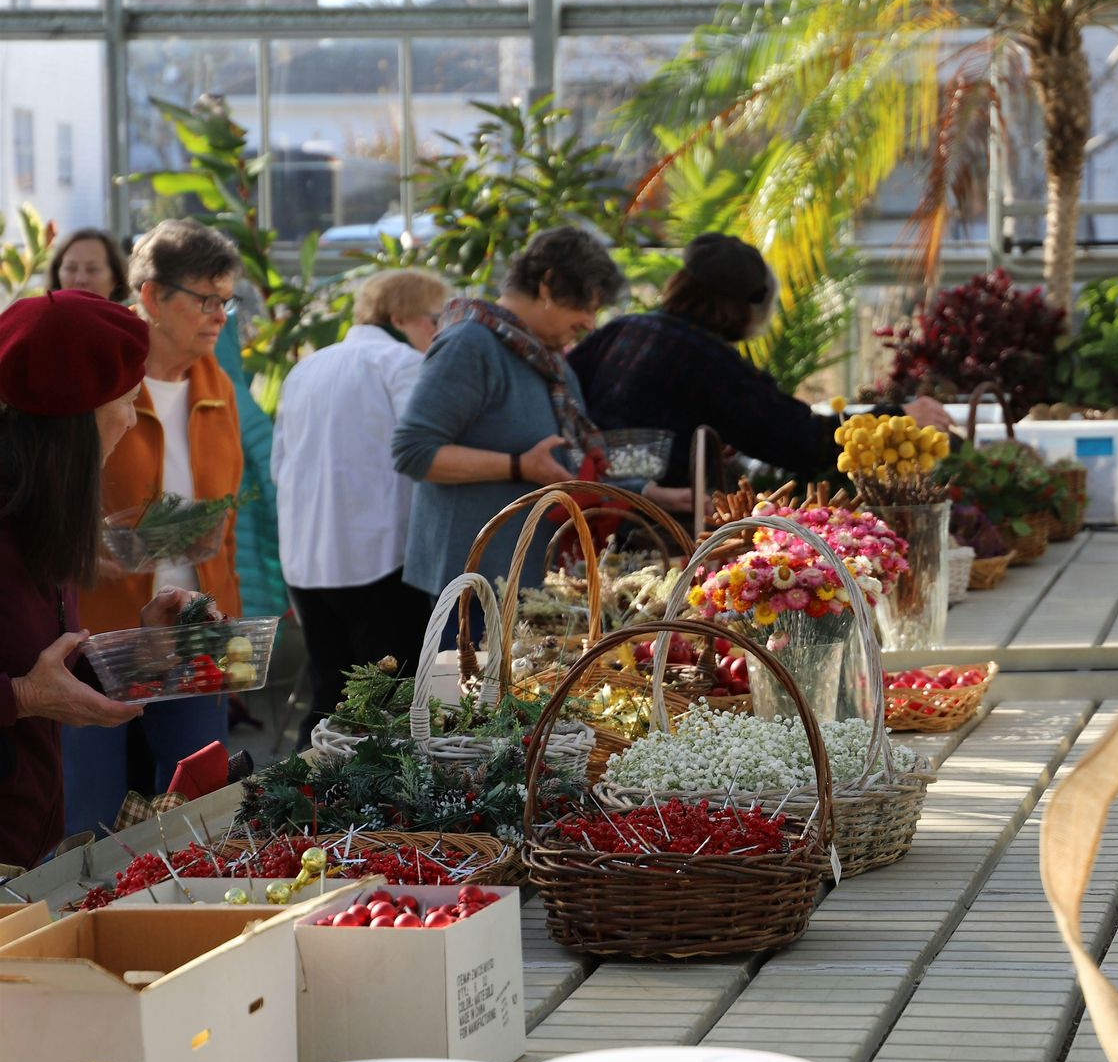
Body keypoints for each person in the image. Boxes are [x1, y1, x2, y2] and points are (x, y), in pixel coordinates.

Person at [0, 291, 208, 872]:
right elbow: (27, 685)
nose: (132, 417)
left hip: (23, 839)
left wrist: (141, 651)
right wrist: (20, 698)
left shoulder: (43, 512)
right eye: (129, 400)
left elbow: (42, 663)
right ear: (78, 418)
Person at [63, 219, 244, 824]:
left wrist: (234, 636)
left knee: (199, 807)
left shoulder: (216, 385)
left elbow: (228, 524)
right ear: (150, 297)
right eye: (205, 299)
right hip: (96, 637)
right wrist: (78, 552)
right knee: (86, 813)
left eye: (226, 299)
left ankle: (190, 918)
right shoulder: (95, 381)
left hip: (194, 632)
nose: (220, 314)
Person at [570, 232, 952, 487]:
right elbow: (799, 439)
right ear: (742, 308)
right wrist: (896, 419)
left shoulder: (620, 329)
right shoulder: (711, 362)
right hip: (656, 523)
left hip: (584, 502)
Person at [393, 226, 635, 608]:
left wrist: (655, 494)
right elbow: (413, 453)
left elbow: (570, 466)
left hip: (533, 582)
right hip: (474, 588)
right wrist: (519, 466)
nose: (590, 323)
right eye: (585, 307)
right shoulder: (470, 345)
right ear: (548, 285)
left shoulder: (549, 360)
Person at [273, 267, 450, 743]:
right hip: (381, 560)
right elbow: (426, 456)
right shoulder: (402, 364)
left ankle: (305, 800)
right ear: (399, 315)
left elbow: (279, 464)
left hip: (307, 561)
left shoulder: (307, 366)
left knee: (329, 695)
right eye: (434, 320)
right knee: (390, 705)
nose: (439, 333)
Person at [47, 226, 130, 302]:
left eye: (92, 269)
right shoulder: (40, 318)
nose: (80, 279)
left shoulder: (131, 317)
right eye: (71, 268)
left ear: (115, 278)